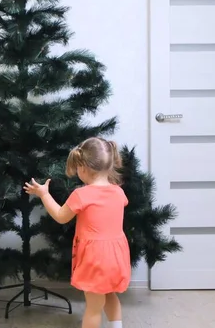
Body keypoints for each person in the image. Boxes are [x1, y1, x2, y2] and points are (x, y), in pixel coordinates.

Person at [23, 137, 130, 328]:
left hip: (96, 259)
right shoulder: (118, 192)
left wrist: (44, 194)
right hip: (117, 256)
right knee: (109, 294)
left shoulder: (82, 195)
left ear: (83, 168)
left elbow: (60, 216)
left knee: (94, 307)